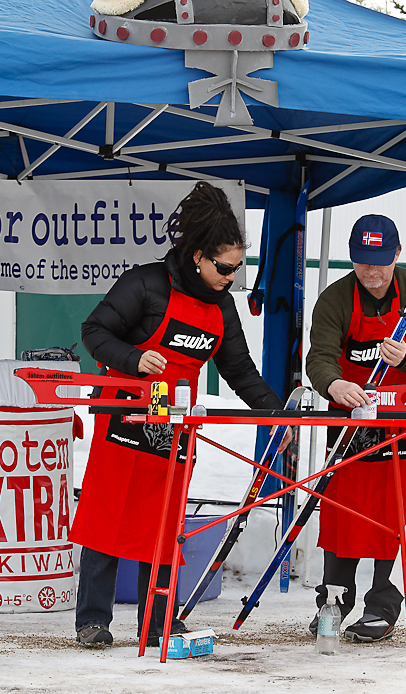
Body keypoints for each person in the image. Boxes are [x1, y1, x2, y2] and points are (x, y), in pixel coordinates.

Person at [70, 181, 291, 647]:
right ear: (198, 256)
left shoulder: (223, 306)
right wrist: (134, 360)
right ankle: (93, 620)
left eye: (237, 268)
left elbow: (241, 371)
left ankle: (159, 622)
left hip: (176, 419)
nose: (231, 276)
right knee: (109, 519)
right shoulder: (145, 284)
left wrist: (277, 415)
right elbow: (94, 331)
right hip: (124, 414)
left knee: (164, 523)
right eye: (224, 267)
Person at [305, 214, 406, 642]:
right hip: (351, 417)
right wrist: (334, 383)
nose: (371, 271)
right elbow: (319, 358)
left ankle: (383, 606)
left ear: (398, 255)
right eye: (362, 261)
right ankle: (334, 600)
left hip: (405, 420)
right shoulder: (336, 299)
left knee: (397, 513)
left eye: (381, 261)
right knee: (341, 511)